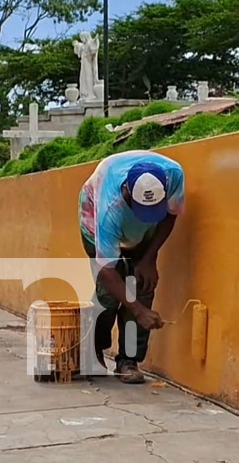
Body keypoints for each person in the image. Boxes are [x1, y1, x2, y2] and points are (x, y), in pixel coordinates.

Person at [79, 150, 185, 384]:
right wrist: (138, 311)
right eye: (142, 210)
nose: (147, 216)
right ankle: (94, 350)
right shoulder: (109, 209)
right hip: (95, 226)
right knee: (109, 295)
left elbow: (171, 215)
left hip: (141, 236)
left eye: (152, 210)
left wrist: (150, 257)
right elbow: (108, 272)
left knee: (142, 287)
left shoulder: (174, 175)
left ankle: (128, 361)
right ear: (127, 193)